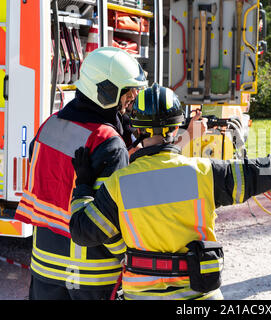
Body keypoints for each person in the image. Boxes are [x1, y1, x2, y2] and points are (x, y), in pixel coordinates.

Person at [69, 83, 271, 300]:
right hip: (201, 292)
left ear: (136, 128)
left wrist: (83, 185)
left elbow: (82, 231)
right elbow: (261, 171)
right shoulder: (203, 173)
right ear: (178, 126)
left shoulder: (120, 184)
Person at [14, 47, 148, 300]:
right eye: (127, 91)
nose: (133, 97)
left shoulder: (48, 126)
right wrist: (130, 257)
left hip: (44, 269)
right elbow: (107, 224)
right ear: (105, 91)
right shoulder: (109, 143)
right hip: (91, 275)